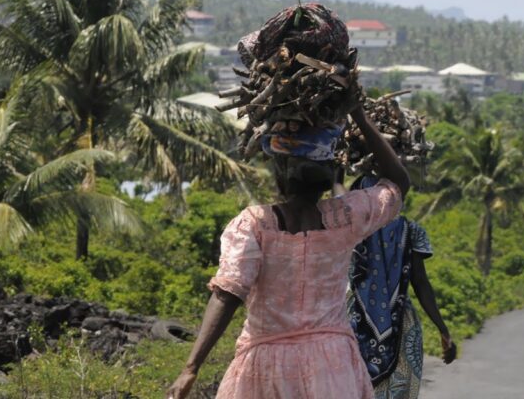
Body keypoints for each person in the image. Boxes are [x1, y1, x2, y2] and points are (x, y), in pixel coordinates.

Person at [166, 103, 412, 399]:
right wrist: (358, 114)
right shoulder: (345, 217)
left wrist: (191, 367)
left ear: (280, 176)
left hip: (267, 366)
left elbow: (227, 293)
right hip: (331, 365)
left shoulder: (254, 224)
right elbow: (398, 182)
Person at [348, 175, 457, 399]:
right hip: (401, 323)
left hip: (351, 321)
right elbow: (421, 283)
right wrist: (443, 329)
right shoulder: (411, 230)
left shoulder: (347, 229)